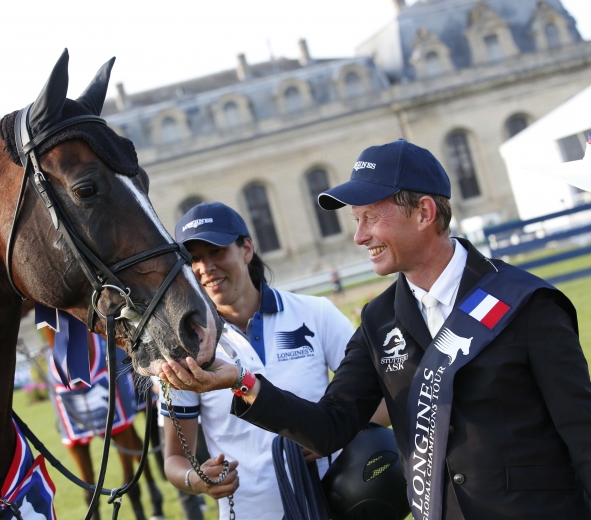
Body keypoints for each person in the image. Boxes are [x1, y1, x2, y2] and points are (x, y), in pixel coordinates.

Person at [160, 139, 591, 520]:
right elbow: (329, 426)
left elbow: (583, 437)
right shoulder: (379, 320)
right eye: (356, 221)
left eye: (370, 218)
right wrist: (242, 382)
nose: (359, 237)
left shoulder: (527, 303)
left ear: (423, 212)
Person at [160, 202, 373, 520]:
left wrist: (334, 431)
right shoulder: (183, 348)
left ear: (246, 248)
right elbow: (174, 458)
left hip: (339, 502)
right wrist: (198, 479)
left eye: (216, 251)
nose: (205, 267)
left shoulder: (315, 313)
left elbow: (378, 400)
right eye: (194, 259)